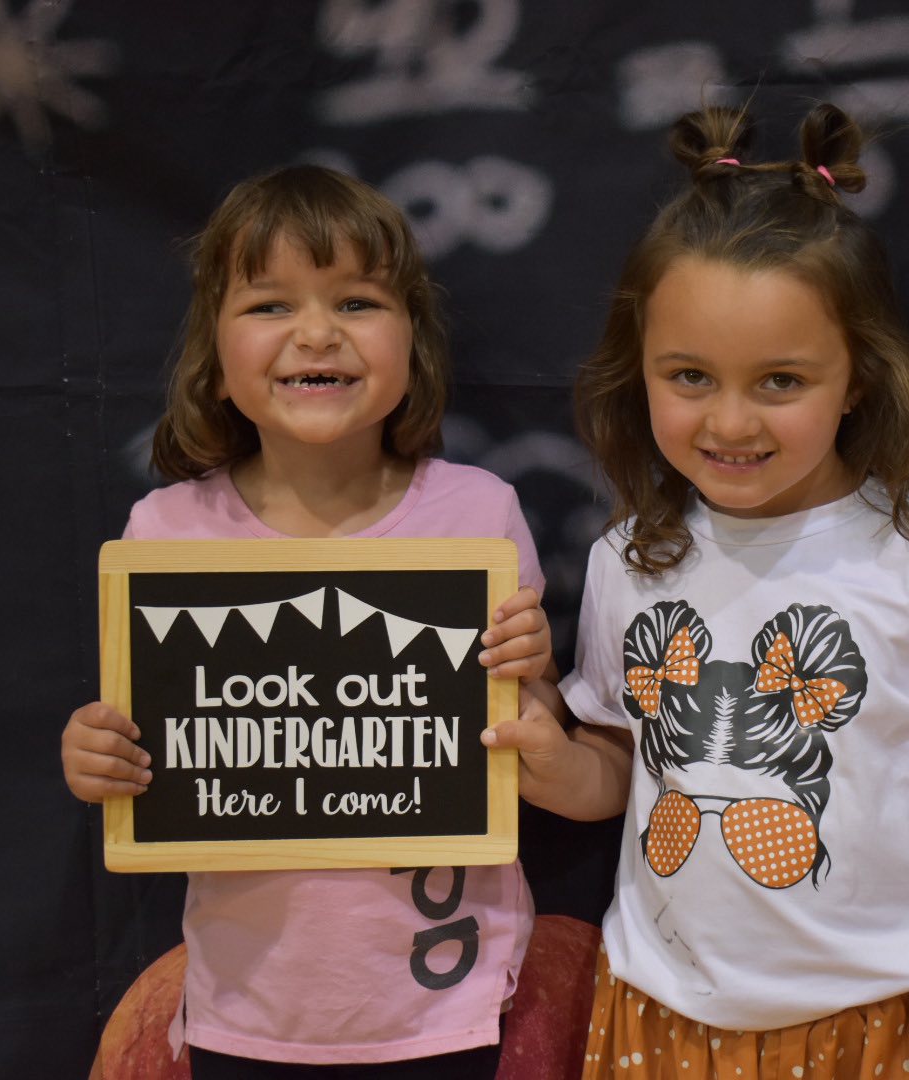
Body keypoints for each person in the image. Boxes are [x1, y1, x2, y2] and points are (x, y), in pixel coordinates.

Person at [483, 104, 909, 1080]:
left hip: (883, 1022)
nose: (731, 420)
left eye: (781, 380)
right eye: (692, 376)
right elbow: (620, 777)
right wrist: (543, 753)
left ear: (859, 379)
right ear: (644, 374)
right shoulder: (634, 559)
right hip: (657, 1018)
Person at [61, 164, 553, 1078]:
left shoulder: (479, 515)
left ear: (414, 340)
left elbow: (539, 740)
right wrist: (96, 756)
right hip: (245, 1008)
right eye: (270, 306)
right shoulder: (165, 532)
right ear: (214, 347)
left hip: (446, 1003)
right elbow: (148, 743)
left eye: (358, 302)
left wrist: (534, 675)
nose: (316, 333)